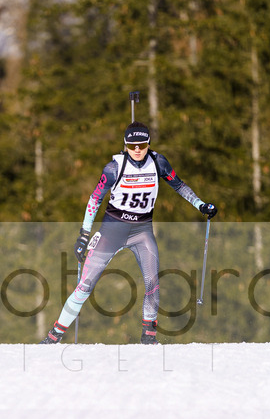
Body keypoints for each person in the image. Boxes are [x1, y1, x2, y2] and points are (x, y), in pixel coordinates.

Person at [40, 122, 216, 344]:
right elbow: (94, 200)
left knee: (153, 283)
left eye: (142, 145)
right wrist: (84, 235)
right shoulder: (114, 168)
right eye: (132, 146)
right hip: (112, 232)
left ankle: (149, 337)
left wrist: (200, 204)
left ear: (149, 143)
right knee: (85, 286)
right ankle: (54, 336)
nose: (137, 150)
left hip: (142, 231)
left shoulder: (158, 163)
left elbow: (179, 185)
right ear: (125, 145)